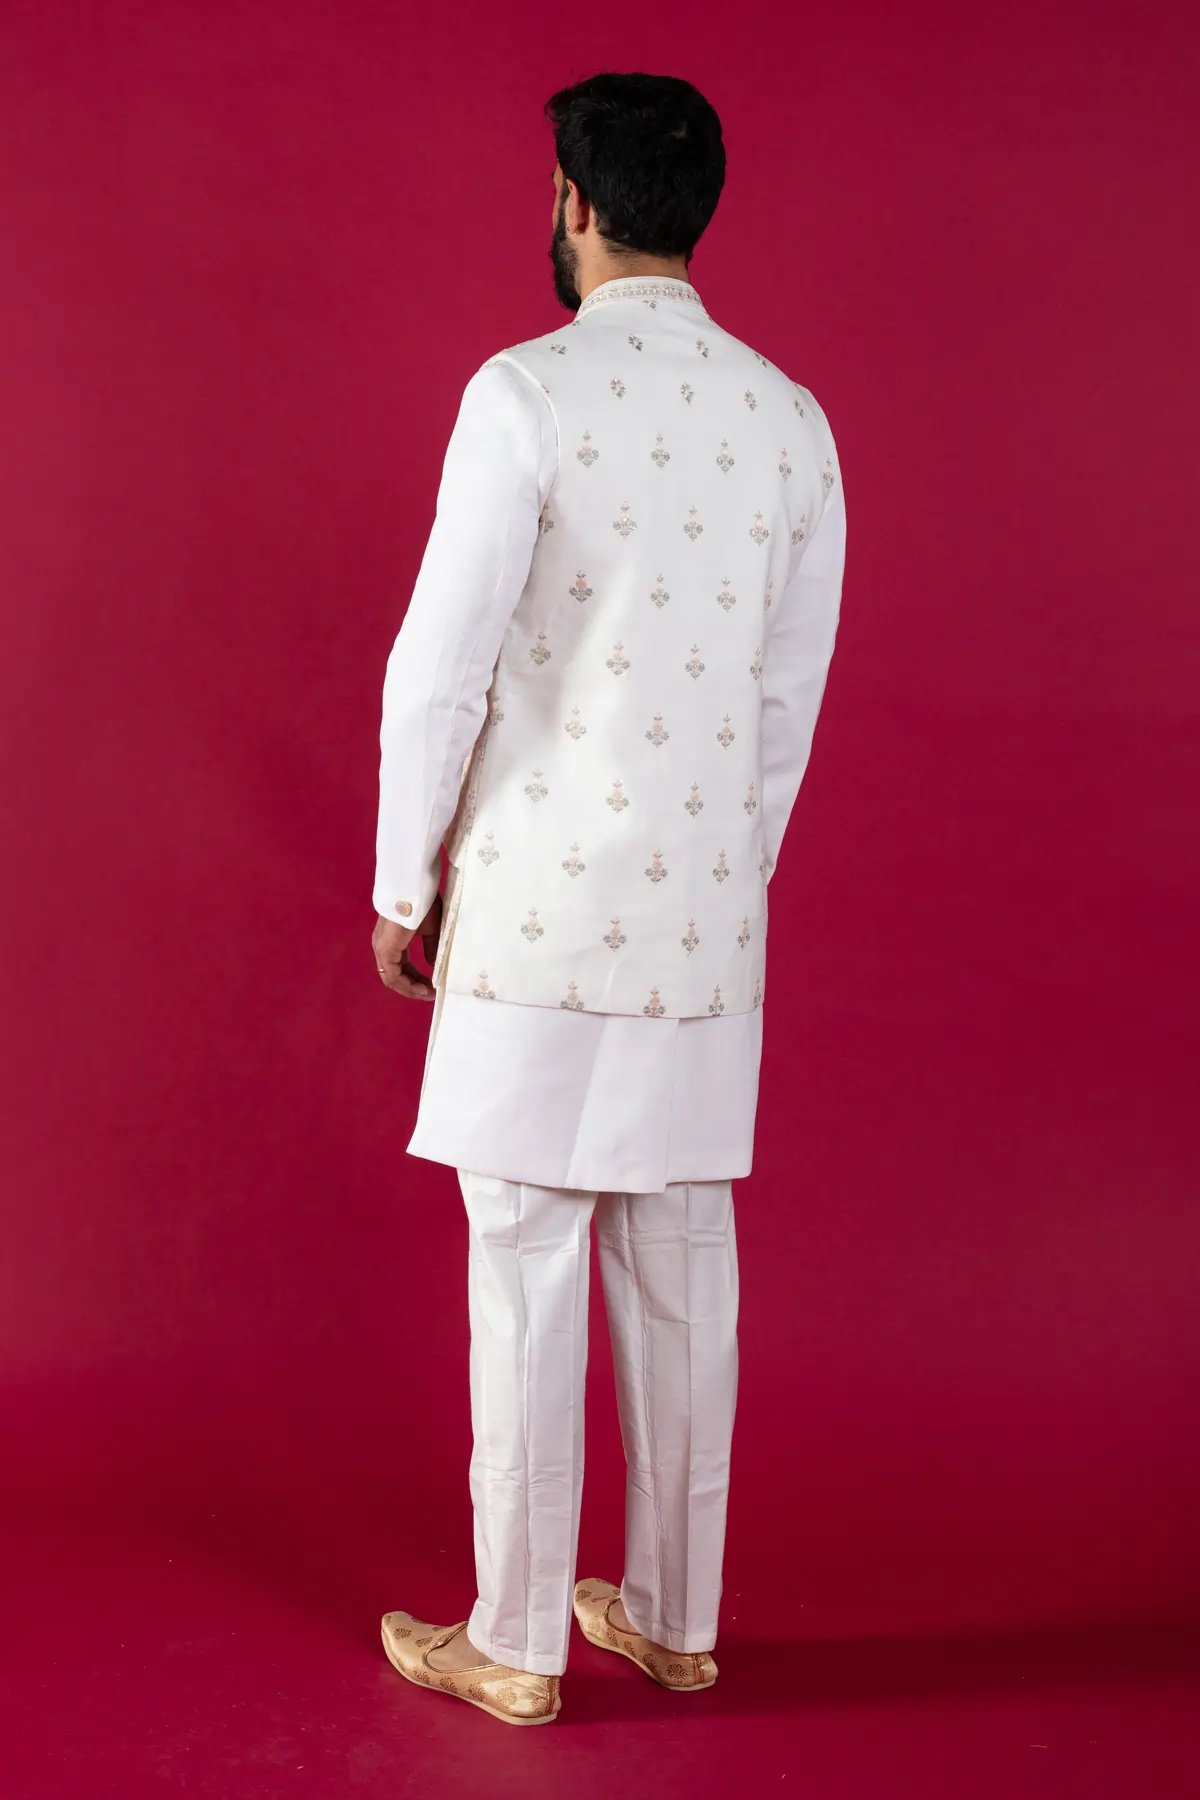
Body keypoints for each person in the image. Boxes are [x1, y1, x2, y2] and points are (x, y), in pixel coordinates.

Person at [371, 71, 846, 1727]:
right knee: (684, 1252)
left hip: (535, 906)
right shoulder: (792, 418)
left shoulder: (525, 394)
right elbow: (786, 699)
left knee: (527, 1255)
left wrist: (401, 876)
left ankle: (515, 1641)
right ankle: (674, 1619)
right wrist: (729, 873)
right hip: (703, 920)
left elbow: (441, 665)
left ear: (574, 203)